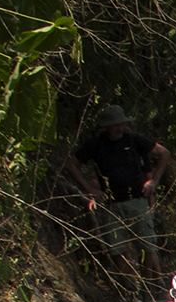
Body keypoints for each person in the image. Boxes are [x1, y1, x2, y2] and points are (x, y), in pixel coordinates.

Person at [65, 105, 170, 288]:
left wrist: (153, 181)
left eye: (121, 124)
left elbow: (163, 153)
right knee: (117, 250)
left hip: (137, 200)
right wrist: (90, 189)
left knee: (148, 246)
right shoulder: (96, 144)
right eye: (115, 125)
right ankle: (130, 288)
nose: (119, 128)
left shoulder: (133, 139)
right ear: (106, 126)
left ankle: (150, 288)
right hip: (111, 205)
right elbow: (71, 164)